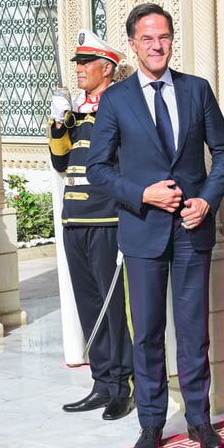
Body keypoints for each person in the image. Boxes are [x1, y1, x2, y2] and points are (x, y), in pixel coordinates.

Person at [87, 3, 224, 448]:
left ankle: (199, 420)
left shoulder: (196, 91)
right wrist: (142, 194)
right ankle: (151, 423)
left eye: (164, 37)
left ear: (172, 40)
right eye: (148, 39)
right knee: (149, 331)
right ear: (133, 45)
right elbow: (98, 169)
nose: (157, 46)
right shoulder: (116, 100)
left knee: (194, 331)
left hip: (192, 232)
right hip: (142, 232)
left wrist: (207, 200)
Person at [49, 30, 134, 421]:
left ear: (107, 69)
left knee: (111, 308)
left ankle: (122, 385)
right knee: (88, 305)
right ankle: (101, 382)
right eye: (78, 64)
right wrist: (58, 124)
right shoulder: (77, 110)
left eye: (85, 64)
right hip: (74, 218)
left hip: (105, 218)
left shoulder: (116, 109)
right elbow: (62, 163)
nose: (79, 70)